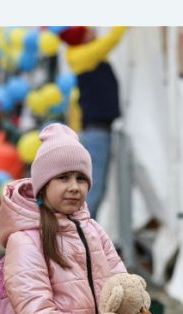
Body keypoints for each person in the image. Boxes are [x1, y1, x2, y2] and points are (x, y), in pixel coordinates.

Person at [0, 123, 160, 314]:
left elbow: (125, 290)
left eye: (81, 178)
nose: (74, 186)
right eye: (63, 177)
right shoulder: (26, 240)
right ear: (43, 184)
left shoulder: (93, 230)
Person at [62, 26, 127, 219]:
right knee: (94, 187)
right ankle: (81, 233)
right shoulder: (83, 56)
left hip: (96, 131)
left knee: (95, 186)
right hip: (97, 132)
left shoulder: (82, 56)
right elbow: (111, 40)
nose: (94, 32)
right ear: (82, 39)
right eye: (88, 32)